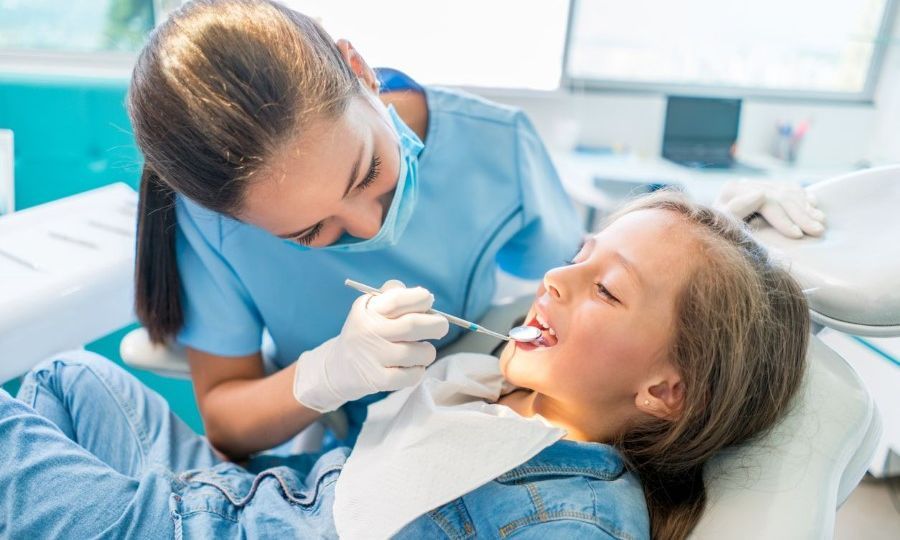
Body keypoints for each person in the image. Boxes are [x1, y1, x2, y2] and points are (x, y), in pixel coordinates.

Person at [1, 193, 808, 539]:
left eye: (603, 286)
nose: (556, 278)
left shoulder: (574, 518)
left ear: (666, 390)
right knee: (67, 376)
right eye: (578, 254)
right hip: (242, 498)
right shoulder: (492, 394)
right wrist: (708, 221)